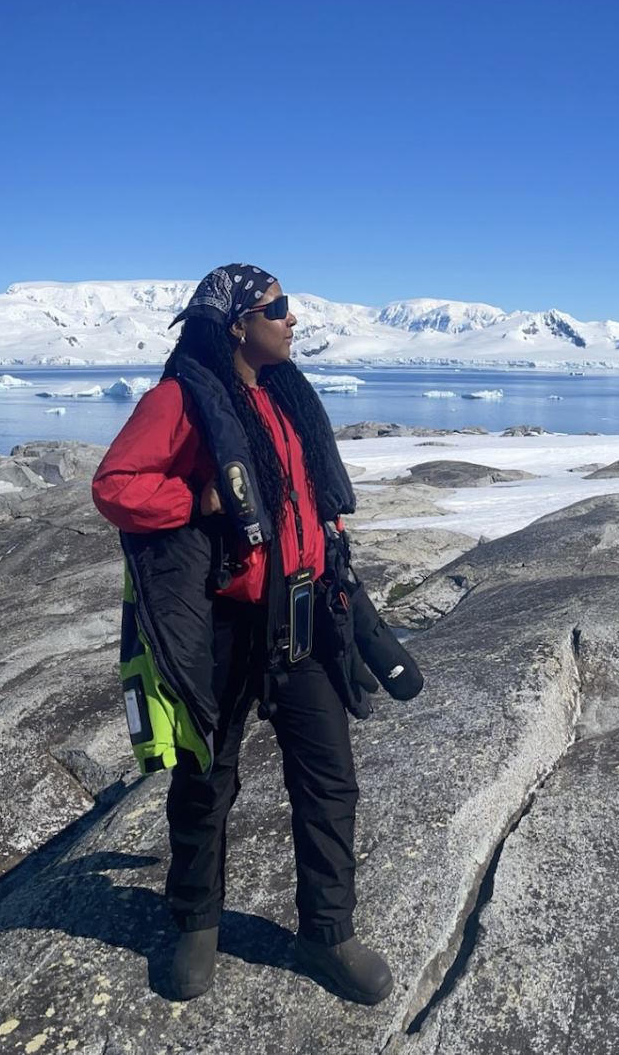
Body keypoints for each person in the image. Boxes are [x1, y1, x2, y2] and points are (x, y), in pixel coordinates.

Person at [92, 264, 394, 1005]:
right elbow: (116, 486)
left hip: (302, 616)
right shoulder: (180, 399)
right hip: (225, 626)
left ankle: (328, 930)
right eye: (278, 308)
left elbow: (305, 493)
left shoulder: (285, 398)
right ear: (236, 324)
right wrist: (196, 499)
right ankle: (196, 922)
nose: (293, 320)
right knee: (206, 779)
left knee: (329, 781)